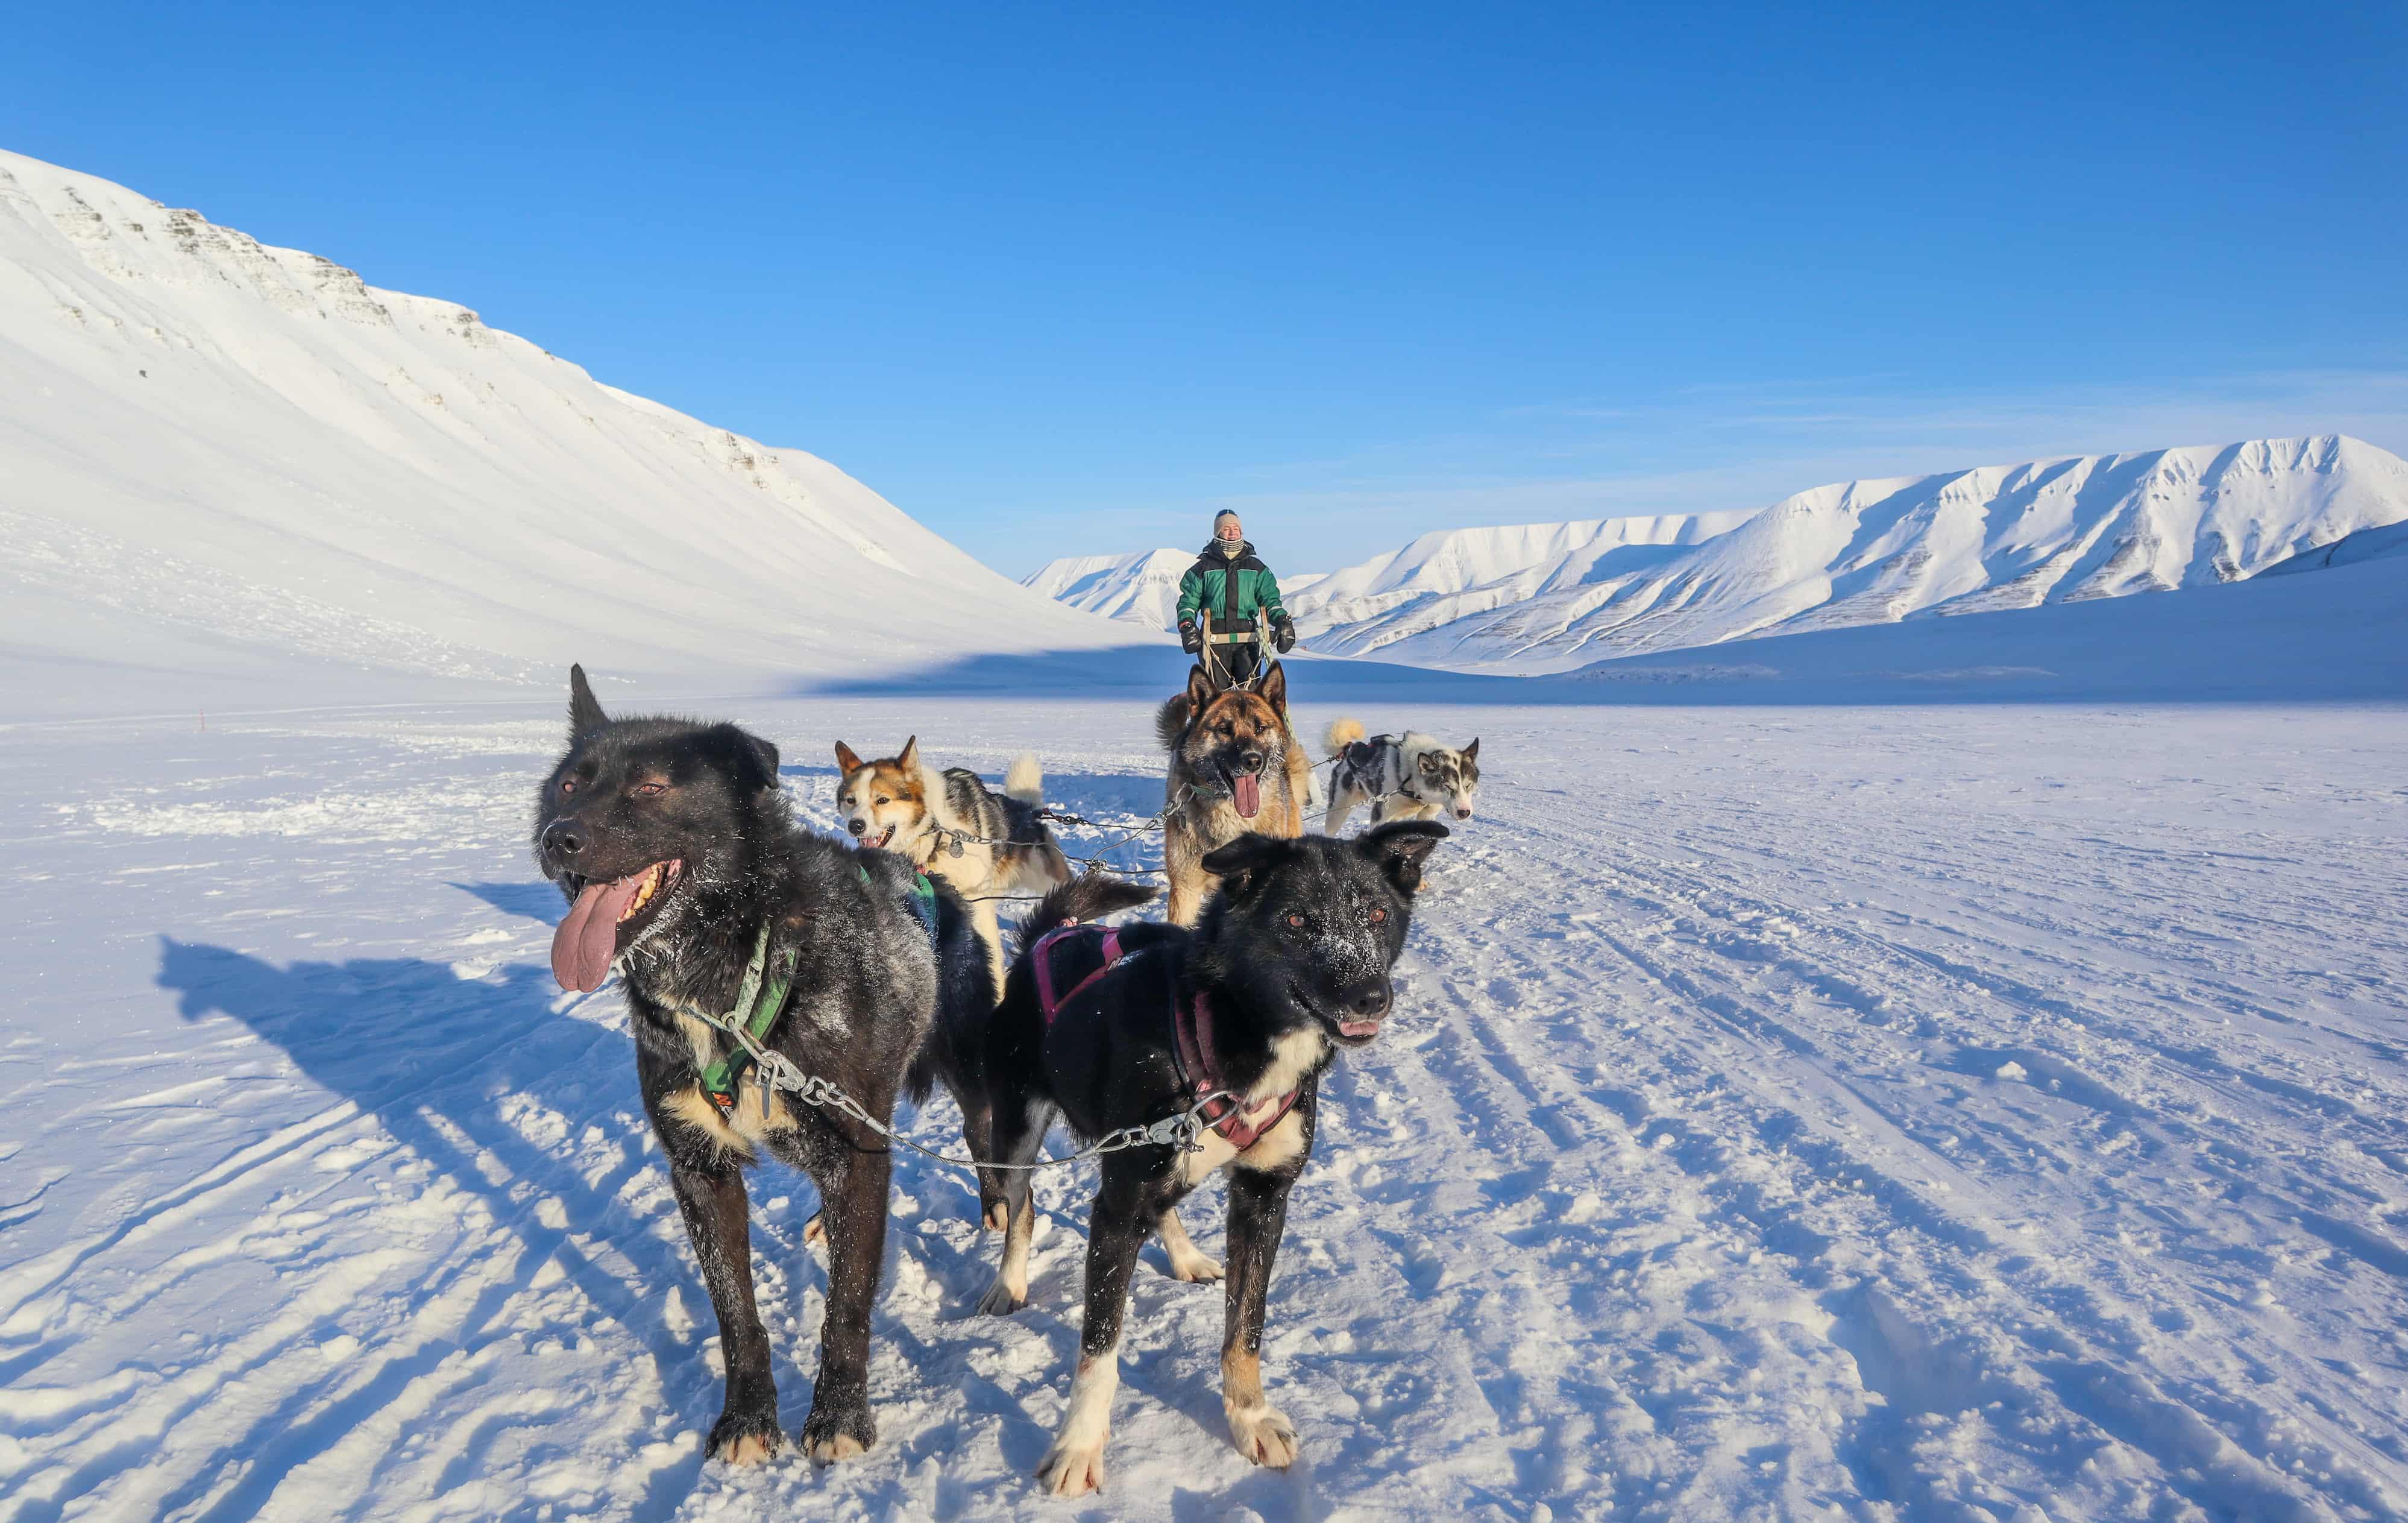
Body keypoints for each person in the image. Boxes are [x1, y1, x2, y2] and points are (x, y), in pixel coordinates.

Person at [1176, 511, 1295, 684]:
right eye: (1226, 529)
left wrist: (1282, 621)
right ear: (1217, 533)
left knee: (1250, 694)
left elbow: (1270, 601)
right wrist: (1187, 624)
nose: (1233, 533)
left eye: (1236, 528)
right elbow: (1188, 602)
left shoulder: (1257, 569)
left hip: (1248, 636)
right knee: (1216, 697)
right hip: (1214, 636)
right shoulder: (1202, 569)